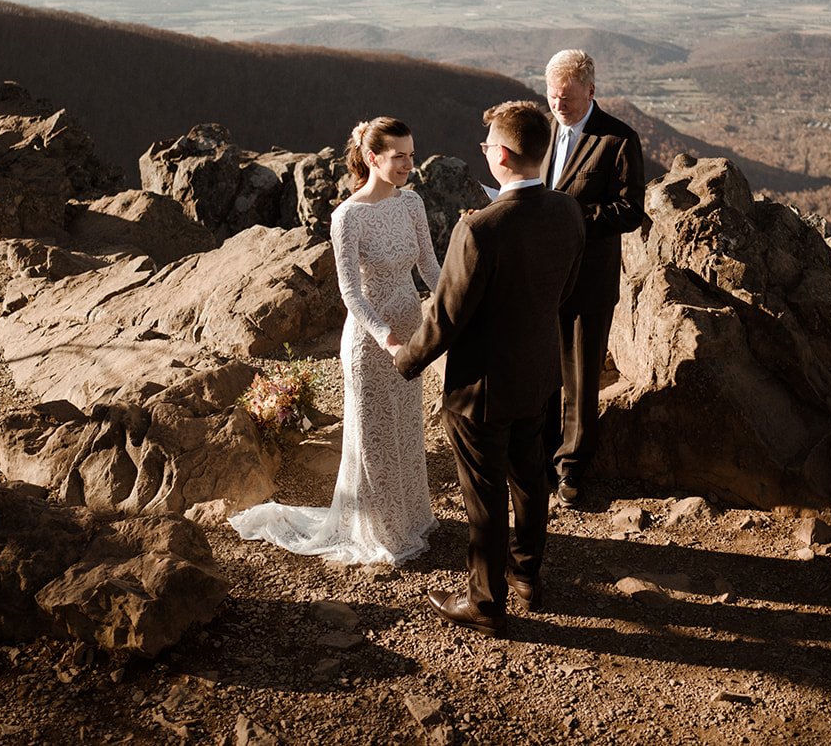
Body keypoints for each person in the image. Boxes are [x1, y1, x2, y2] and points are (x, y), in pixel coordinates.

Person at [390, 100, 585, 636]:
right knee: (529, 482)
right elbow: (562, 292)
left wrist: (404, 361)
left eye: (486, 148)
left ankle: (484, 602)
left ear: (499, 155)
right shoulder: (567, 211)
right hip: (539, 373)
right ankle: (527, 577)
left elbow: (447, 318)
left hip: (481, 387)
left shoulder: (479, 230)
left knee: (484, 496)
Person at [229, 117, 440, 565]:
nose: (408, 164)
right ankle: (378, 529)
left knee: (405, 426)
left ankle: (408, 517)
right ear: (372, 157)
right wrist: (386, 338)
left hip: (412, 328)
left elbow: (430, 268)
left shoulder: (412, 204)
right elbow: (351, 292)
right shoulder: (348, 216)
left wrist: (456, 305)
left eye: (411, 154)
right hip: (371, 340)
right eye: (398, 155)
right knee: (374, 435)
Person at [542, 49, 647, 510]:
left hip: (590, 279)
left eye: (566, 97)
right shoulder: (542, 132)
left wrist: (570, 214)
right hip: (542, 277)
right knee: (543, 371)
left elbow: (630, 212)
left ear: (590, 91)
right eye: (551, 96)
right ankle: (542, 457)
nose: (558, 105)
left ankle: (572, 468)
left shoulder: (619, 140)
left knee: (581, 376)